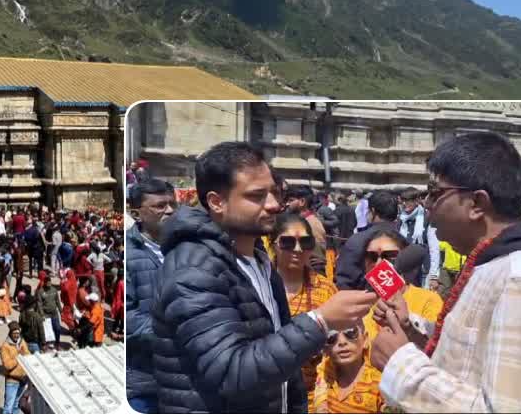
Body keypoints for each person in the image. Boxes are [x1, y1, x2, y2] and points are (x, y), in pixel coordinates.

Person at [369, 131, 521, 412]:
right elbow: (472, 359)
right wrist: (413, 330)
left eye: (435, 193)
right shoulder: (500, 264)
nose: (427, 206)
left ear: (476, 204)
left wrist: (400, 365)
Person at [150, 141, 378, 413]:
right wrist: (320, 321)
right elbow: (231, 373)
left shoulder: (258, 260)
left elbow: (280, 359)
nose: (273, 204)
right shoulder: (194, 269)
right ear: (217, 202)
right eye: (257, 196)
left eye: (274, 192)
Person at [271, 212, 338, 407]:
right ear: (273, 243)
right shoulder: (258, 285)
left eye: (306, 242)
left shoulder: (326, 290)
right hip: (267, 396)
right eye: (288, 243)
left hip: (313, 398)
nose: (298, 249)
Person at [361, 234, 443, 341]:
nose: (379, 263)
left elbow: (433, 346)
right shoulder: (360, 304)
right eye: (372, 257)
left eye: (388, 256)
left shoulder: (429, 300)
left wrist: (406, 325)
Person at [311, 320, 385, 413]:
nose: (342, 342)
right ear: (325, 349)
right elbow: (319, 402)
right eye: (331, 337)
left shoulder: (379, 382)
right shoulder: (325, 372)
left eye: (350, 332)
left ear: (365, 340)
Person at [334, 190, 400, 289]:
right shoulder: (409, 244)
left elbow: (344, 283)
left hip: (365, 301)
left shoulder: (357, 241)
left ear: (372, 211)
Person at [398, 188, 442, 289]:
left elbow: (434, 247)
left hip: (423, 270)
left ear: (417, 201)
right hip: (406, 270)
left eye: (407, 200)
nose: (404, 204)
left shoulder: (427, 218)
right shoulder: (401, 219)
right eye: (402, 201)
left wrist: (434, 276)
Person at [285, 186, 329, 273]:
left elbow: (317, 261)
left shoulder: (312, 224)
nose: (287, 204)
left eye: (291, 200)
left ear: (302, 202)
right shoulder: (298, 222)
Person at [0, 323, 30, 415]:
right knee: (8, 407)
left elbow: (28, 355)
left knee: (16, 404)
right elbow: (7, 365)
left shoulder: (21, 342)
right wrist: (18, 356)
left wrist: (23, 353)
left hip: (22, 380)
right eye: (14, 333)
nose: (16, 335)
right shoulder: (5, 346)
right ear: (10, 334)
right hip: (12, 381)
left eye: (18, 333)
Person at [38, 274, 63, 350]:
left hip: (54, 313)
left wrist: (61, 310)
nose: (49, 284)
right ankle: (47, 344)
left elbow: (57, 301)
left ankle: (57, 343)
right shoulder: (40, 292)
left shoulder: (54, 290)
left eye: (50, 282)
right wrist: (42, 314)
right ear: (44, 283)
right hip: (46, 314)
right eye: (47, 283)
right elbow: (39, 304)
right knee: (48, 331)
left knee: (57, 328)